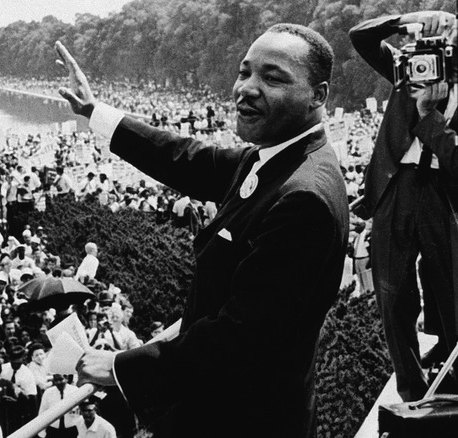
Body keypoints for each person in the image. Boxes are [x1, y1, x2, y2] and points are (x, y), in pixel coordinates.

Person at [57, 22, 349, 438]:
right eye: (244, 71)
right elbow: (184, 158)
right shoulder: (276, 157)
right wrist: (94, 112)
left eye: (273, 77)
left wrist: (121, 366)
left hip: (242, 419)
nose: (246, 87)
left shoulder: (304, 198)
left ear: (317, 95)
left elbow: (239, 336)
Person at [350, 11, 458, 402]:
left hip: (442, 192)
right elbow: (360, 37)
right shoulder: (407, 65)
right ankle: (411, 386)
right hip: (394, 185)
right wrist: (411, 20)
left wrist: (429, 115)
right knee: (393, 295)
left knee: (449, 292)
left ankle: (450, 374)